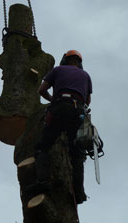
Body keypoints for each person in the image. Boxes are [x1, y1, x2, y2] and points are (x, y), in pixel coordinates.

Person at [35, 50, 92, 204]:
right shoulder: (86, 75)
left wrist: (53, 99)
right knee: (77, 154)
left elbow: (41, 90)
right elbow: (87, 100)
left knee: (43, 146)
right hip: (78, 111)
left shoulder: (58, 70)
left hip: (60, 106)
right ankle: (78, 193)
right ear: (79, 62)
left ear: (65, 60)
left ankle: (43, 182)